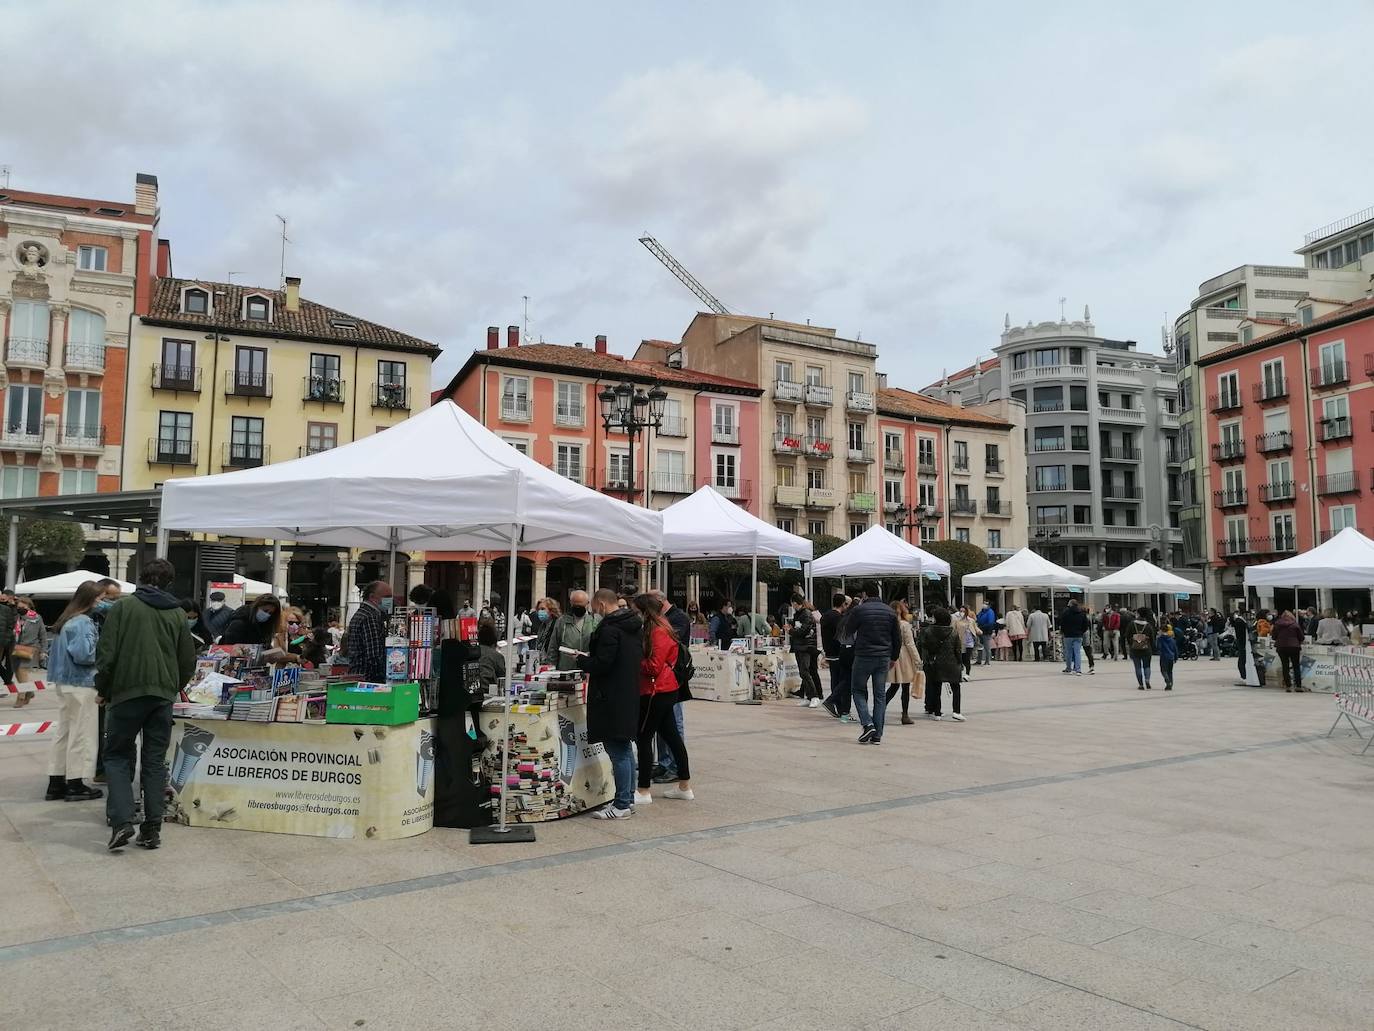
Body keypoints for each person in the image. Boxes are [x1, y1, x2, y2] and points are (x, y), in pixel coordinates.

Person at [96, 557, 197, 851]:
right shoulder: (178, 614)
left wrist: (103, 688)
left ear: (141, 578)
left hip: (126, 693)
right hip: (161, 697)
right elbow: (187, 660)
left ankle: (122, 821)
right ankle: (152, 829)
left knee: (116, 756)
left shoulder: (123, 608)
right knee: (154, 762)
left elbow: (107, 654)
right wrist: (171, 687)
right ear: (169, 582)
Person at [581, 588, 642, 819]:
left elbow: (604, 663)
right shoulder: (633, 625)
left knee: (617, 751)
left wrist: (584, 661)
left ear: (602, 604)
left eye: (594, 607)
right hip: (627, 692)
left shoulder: (609, 629)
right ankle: (629, 799)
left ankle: (621, 804)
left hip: (610, 696)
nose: (594, 611)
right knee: (625, 749)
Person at [44, 581, 105, 802]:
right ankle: (76, 783)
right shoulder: (83, 622)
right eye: (99, 598)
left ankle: (56, 780)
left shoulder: (65, 620)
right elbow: (84, 655)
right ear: (89, 599)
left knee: (64, 732)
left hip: (63, 683)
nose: (102, 602)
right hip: (81, 683)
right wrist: (103, 652)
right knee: (82, 733)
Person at [632, 593, 692, 803]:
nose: (634, 614)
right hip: (666, 689)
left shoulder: (657, 631)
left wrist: (634, 660)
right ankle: (684, 786)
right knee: (672, 736)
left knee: (644, 737)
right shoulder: (662, 627)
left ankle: (643, 790)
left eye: (636, 611)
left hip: (656, 690)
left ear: (644, 612)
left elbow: (654, 666)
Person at [847, 582, 902, 745]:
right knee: (880, 695)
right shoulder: (890, 611)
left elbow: (849, 630)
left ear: (865, 594)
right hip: (883, 657)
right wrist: (894, 657)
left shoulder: (859, 610)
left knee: (857, 690)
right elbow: (896, 638)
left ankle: (867, 723)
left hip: (864, 655)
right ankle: (877, 734)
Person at [650, 589, 690, 784]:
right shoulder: (661, 619)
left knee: (674, 724)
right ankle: (665, 763)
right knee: (661, 724)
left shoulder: (678, 618)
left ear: (659, 601)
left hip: (674, 679)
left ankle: (675, 766)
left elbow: (670, 643)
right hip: (662, 681)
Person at [919, 607, 965, 721]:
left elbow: (923, 645)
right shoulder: (953, 632)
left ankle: (937, 713)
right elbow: (957, 649)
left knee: (936, 688)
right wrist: (960, 662)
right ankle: (956, 711)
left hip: (935, 663)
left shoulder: (929, 631)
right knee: (956, 688)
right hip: (952, 663)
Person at [346, 581, 393, 683]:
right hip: (368, 678)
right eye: (387, 596)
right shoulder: (370, 617)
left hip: (358, 673)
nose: (390, 600)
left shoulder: (361, 613)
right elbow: (374, 654)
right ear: (372, 597)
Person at [886, 600, 921, 725]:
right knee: (905, 686)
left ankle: (880, 708)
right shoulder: (904, 624)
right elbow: (910, 644)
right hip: (904, 656)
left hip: (890, 655)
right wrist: (917, 660)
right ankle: (905, 714)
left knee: (894, 685)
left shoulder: (887, 623)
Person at [548, 591, 598, 671]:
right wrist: (551, 668)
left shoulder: (595, 621)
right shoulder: (562, 621)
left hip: (587, 670)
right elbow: (553, 646)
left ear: (587, 603)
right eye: (575, 605)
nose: (578, 608)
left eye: (580, 605)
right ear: (571, 603)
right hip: (566, 669)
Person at [820, 593, 852, 720]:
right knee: (845, 681)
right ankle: (841, 708)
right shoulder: (838, 618)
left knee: (835, 680)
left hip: (830, 653)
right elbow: (843, 635)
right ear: (844, 604)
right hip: (839, 653)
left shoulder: (825, 616)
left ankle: (837, 708)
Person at [11, 596, 46, 704]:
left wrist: (44, 651)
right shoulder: (16, 617)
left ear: (29, 606)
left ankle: (21, 697)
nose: (21, 607)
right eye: (19, 605)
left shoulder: (36, 618)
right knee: (17, 673)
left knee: (22, 671)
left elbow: (43, 634)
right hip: (16, 647)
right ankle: (29, 691)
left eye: (23, 605)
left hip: (30, 647)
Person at [219, 593, 284, 647]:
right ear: (256, 607)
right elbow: (229, 646)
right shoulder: (239, 623)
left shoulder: (266, 626)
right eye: (265, 610)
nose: (267, 615)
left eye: (270, 613)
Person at [790, 597, 822, 707]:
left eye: (793, 603)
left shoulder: (806, 614)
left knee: (805, 671)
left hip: (806, 646)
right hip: (800, 646)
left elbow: (803, 630)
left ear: (796, 603)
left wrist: (791, 630)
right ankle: (808, 697)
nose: (792, 606)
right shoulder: (798, 614)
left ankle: (814, 696)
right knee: (804, 672)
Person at [1272, 609, 1306, 692]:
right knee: (1296, 666)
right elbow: (1301, 637)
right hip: (1294, 647)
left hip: (1281, 647)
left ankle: (1288, 686)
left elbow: (1274, 637)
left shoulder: (1277, 624)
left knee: (1285, 666)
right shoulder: (1295, 625)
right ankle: (1298, 686)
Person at [1057, 598, 1088, 675]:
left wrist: (1063, 632)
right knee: (1077, 652)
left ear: (1070, 604)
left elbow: (1062, 623)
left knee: (1069, 652)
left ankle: (1068, 668)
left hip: (1068, 635)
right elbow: (1086, 625)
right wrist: (1081, 632)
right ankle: (1078, 669)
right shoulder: (1082, 613)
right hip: (1078, 635)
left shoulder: (1066, 612)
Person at [1128, 607, 1157, 689]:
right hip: (1146, 648)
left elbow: (1127, 636)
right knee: (1147, 666)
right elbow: (1152, 638)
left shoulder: (1132, 624)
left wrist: (1132, 643)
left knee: (1137, 666)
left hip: (1134, 648)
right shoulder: (1148, 625)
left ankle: (1141, 684)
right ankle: (1147, 680)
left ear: (1138, 614)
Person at [475, 620, 506, 690]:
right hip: (489, 691)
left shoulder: (471, 653)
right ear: (494, 642)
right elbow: (503, 678)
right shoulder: (497, 656)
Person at [953, 605, 980, 679]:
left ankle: (967, 674)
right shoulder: (957, 621)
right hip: (961, 642)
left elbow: (975, 628)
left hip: (969, 642)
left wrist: (979, 631)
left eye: (963, 611)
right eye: (960, 611)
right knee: (961, 659)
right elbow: (954, 630)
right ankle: (960, 673)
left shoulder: (971, 620)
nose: (962, 613)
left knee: (967, 659)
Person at [1156, 620, 1178, 690]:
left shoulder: (1160, 639)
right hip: (1171, 656)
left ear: (1161, 631)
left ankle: (1167, 681)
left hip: (1164, 656)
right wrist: (1176, 658)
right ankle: (1171, 684)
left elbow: (1158, 647)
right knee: (1170, 671)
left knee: (1163, 671)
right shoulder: (1172, 639)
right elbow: (1175, 649)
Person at [1230, 607, 1250, 681]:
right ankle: (1243, 675)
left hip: (1243, 642)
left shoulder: (1241, 621)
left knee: (1243, 658)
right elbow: (1240, 634)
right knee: (1242, 658)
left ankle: (1244, 674)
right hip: (1242, 642)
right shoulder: (1239, 621)